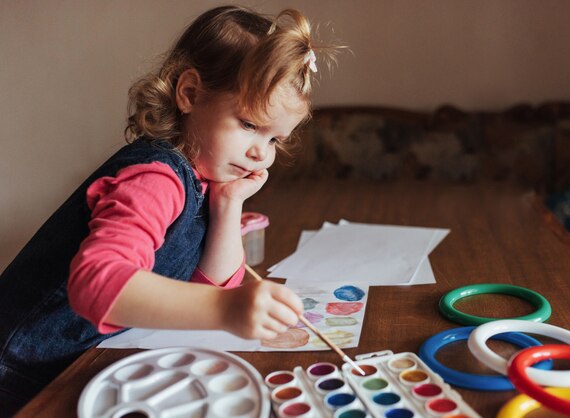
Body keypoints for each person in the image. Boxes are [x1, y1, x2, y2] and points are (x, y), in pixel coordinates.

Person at [0, 5, 341, 414]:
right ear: (190, 94)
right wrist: (228, 310)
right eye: (249, 125)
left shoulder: (201, 179)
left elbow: (210, 289)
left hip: (86, 363)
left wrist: (229, 205)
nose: (260, 154)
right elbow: (98, 285)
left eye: (274, 140)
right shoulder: (155, 179)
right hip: (22, 381)